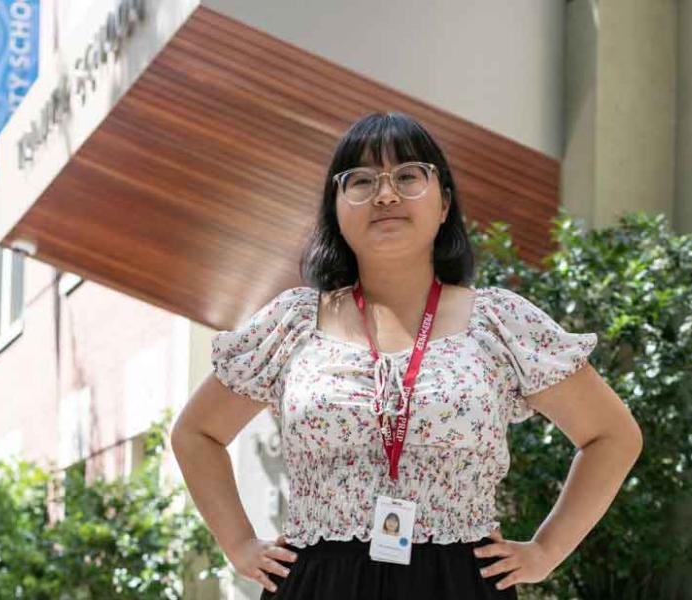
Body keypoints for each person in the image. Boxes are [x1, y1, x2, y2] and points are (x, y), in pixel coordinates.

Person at [171, 112, 643, 599]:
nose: (385, 194)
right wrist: (241, 545)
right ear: (335, 208)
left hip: (457, 581)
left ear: (444, 204)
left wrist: (546, 551)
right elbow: (196, 433)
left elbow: (612, 435)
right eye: (361, 180)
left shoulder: (500, 323)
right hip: (320, 584)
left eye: (408, 176)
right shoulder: (292, 323)